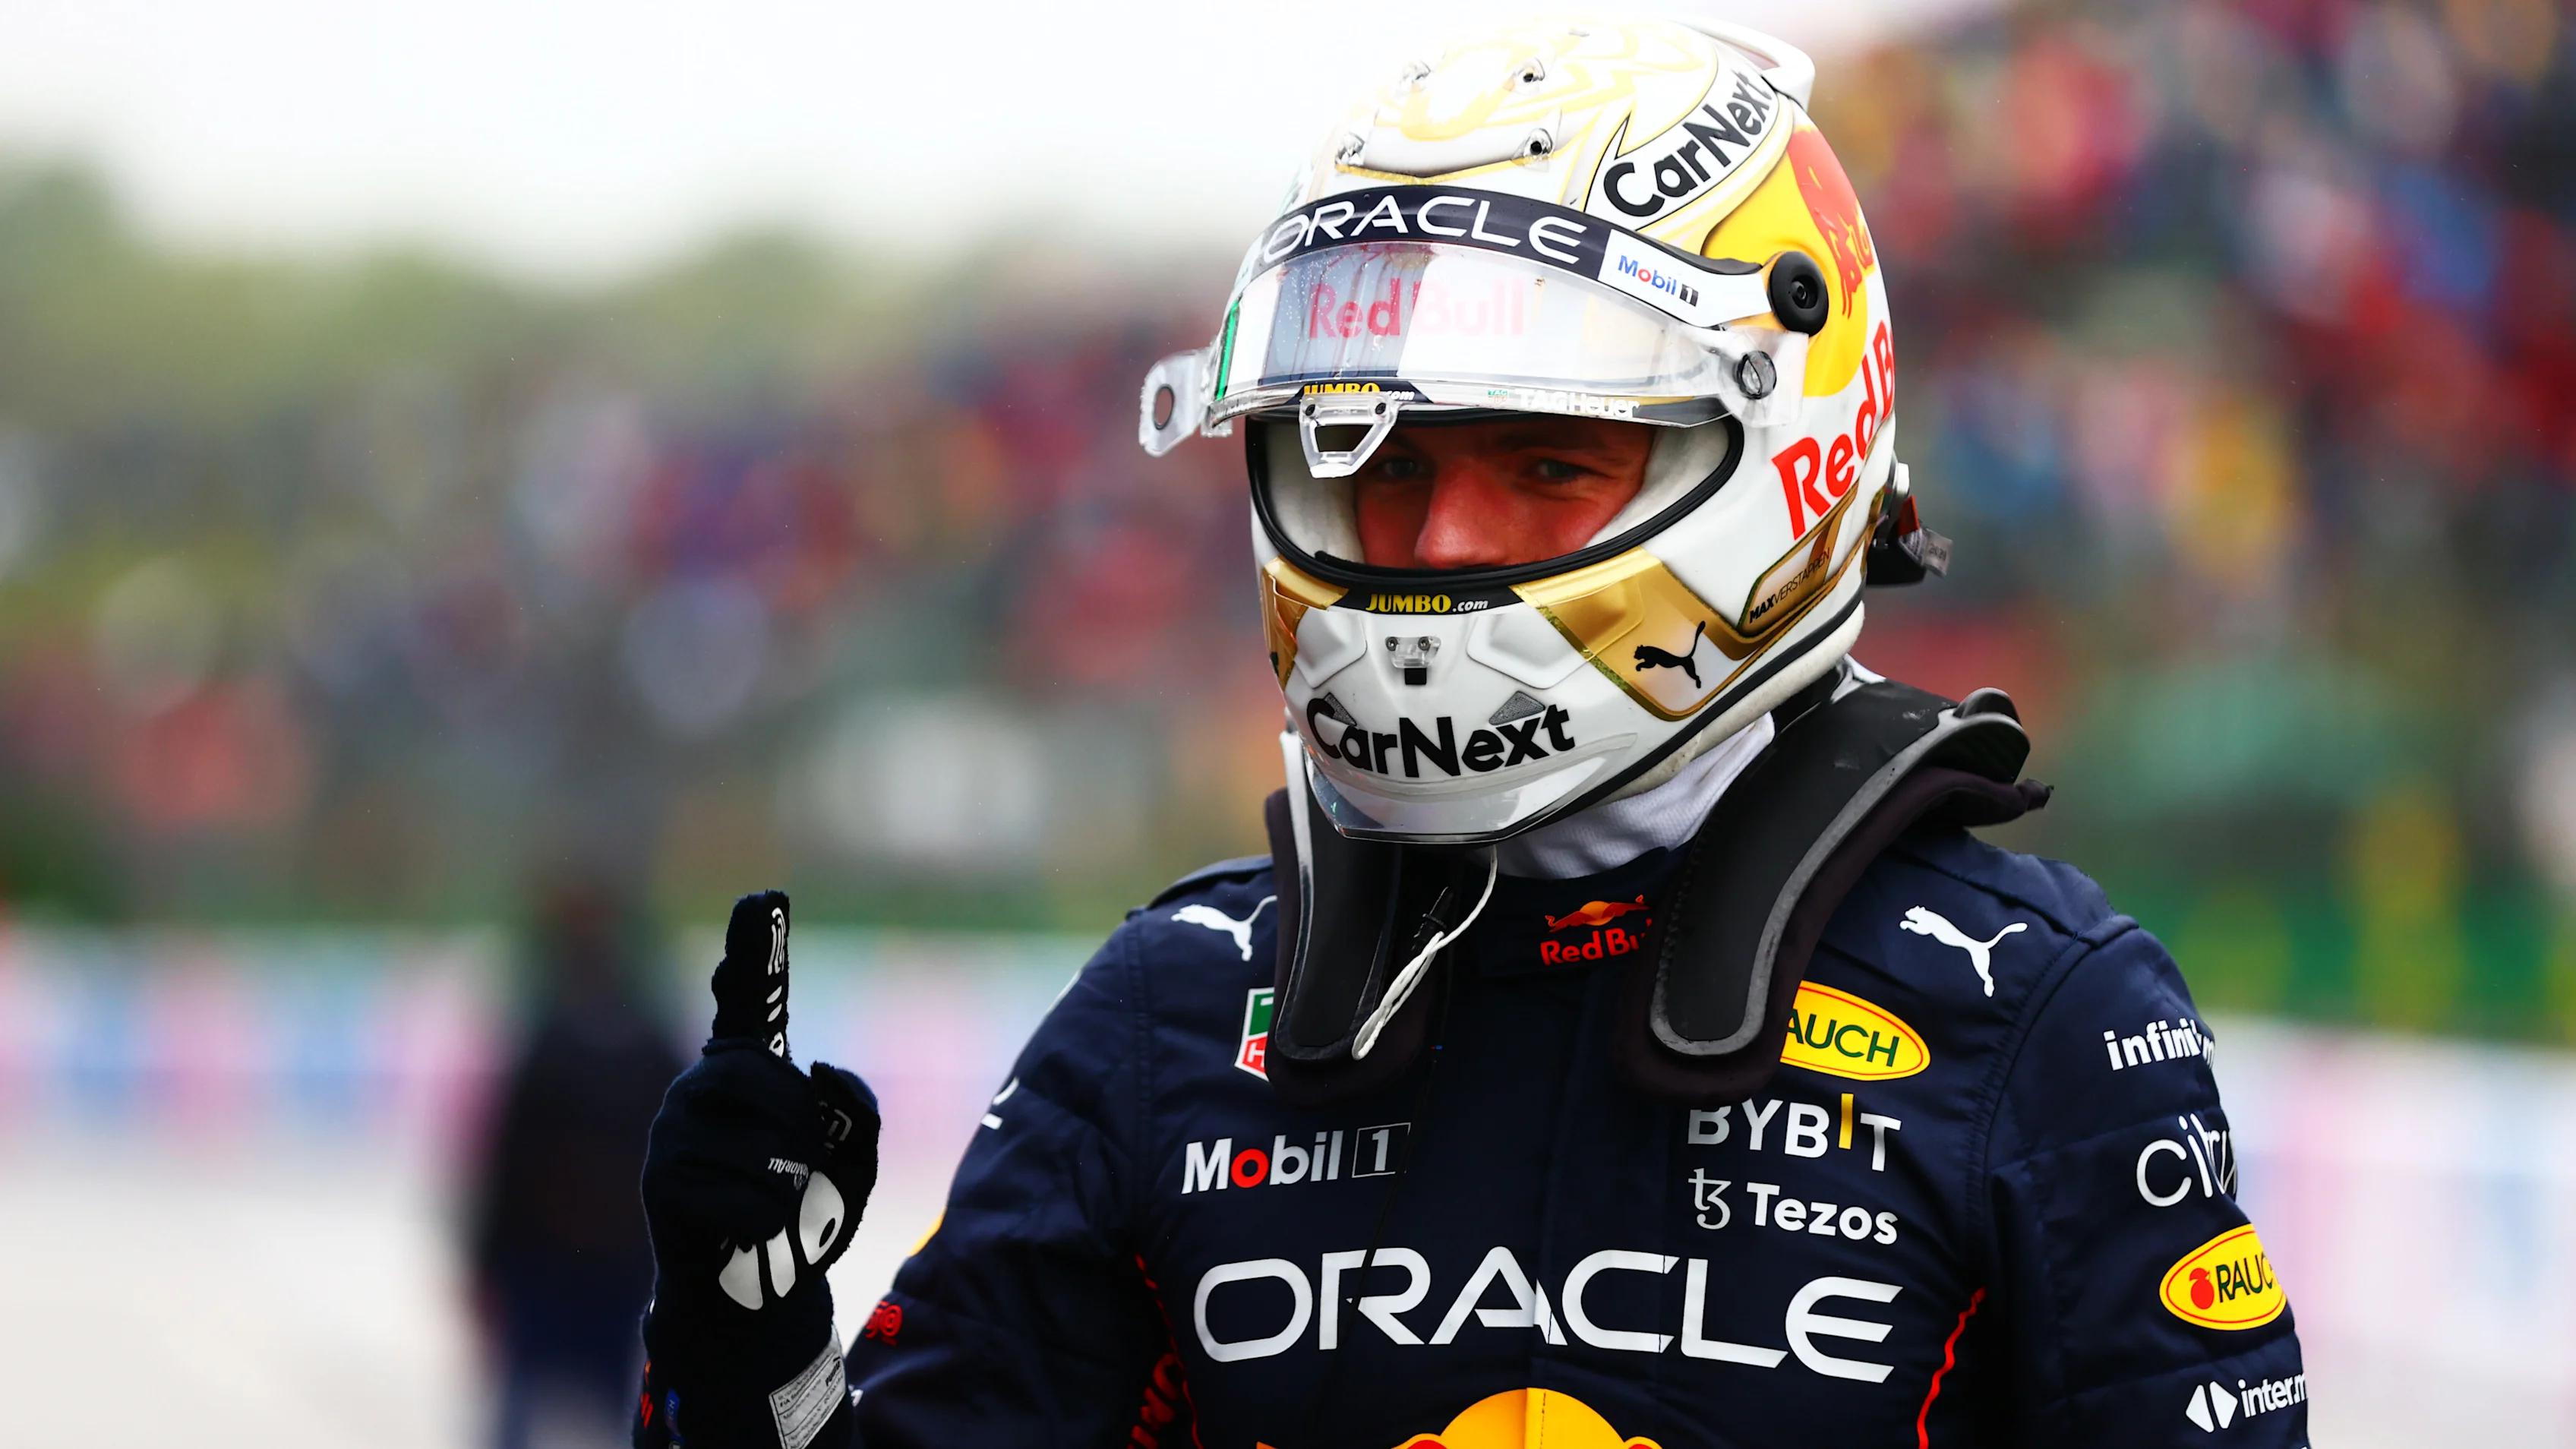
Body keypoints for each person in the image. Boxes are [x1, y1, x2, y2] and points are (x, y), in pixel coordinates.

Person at [632, 17, 2309, 1447]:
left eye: (1544, 463)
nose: (1434, 544)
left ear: (1789, 452)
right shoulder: (1171, 1012)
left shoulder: (2035, 1018)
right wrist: (739, 1344)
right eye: (1378, 467)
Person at [467, 875, 687, 1449]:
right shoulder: (652, 1047)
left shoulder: (548, 1044)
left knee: (527, 1406)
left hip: (557, 1263)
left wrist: (485, 1263)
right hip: (612, 1262)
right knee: (622, 1411)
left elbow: (507, 1164)